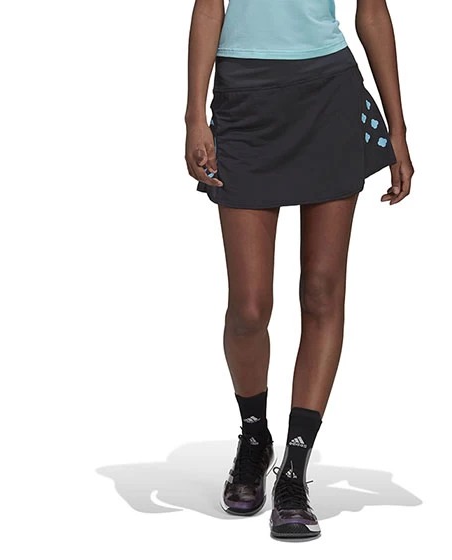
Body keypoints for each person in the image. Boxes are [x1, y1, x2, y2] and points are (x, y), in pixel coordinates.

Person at [185, 0, 413, 540]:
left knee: (321, 293)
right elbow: (209, 6)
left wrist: (398, 129)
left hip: (328, 96)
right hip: (244, 100)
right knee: (249, 308)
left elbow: (373, 13)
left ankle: (295, 468)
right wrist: (194, 115)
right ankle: (254, 436)